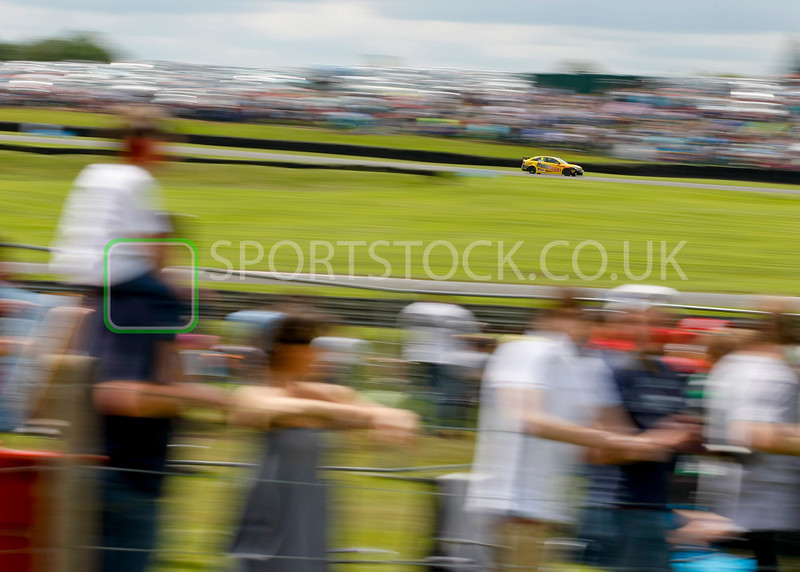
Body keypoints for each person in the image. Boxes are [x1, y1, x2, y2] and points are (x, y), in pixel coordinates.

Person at [50, 105, 228, 572]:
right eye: (164, 143)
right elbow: (151, 243)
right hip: (130, 475)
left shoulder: (94, 175)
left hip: (91, 281)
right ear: (146, 143)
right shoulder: (137, 182)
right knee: (172, 297)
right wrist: (210, 399)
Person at [466, 291, 688, 570]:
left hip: (549, 509)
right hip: (511, 504)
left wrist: (656, 441)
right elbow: (528, 418)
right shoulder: (528, 350)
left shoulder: (588, 365)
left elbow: (614, 429)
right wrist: (628, 442)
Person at [228, 309, 418, 572]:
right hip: (270, 521)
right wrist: (370, 414)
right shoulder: (253, 394)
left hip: (307, 518)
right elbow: (279, 410)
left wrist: (387, 415)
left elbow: (347, 403)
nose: (321, 355)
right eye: (314, 346)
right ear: (285, 350)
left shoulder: (320, 394)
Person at [575, 302, 698, 572]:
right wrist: (660, 442)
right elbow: (595, 451)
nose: (655, 330)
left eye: (664, 323)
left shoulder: (669, 375)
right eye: (638, 322)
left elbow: (681, 434)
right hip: (617, 509)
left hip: (655, 507)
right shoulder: (607, 371)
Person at [701, 306, 800, 571]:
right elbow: (755, 432)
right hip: (758, 505)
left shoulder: (737, 368)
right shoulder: (765, 373)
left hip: (751, 505)